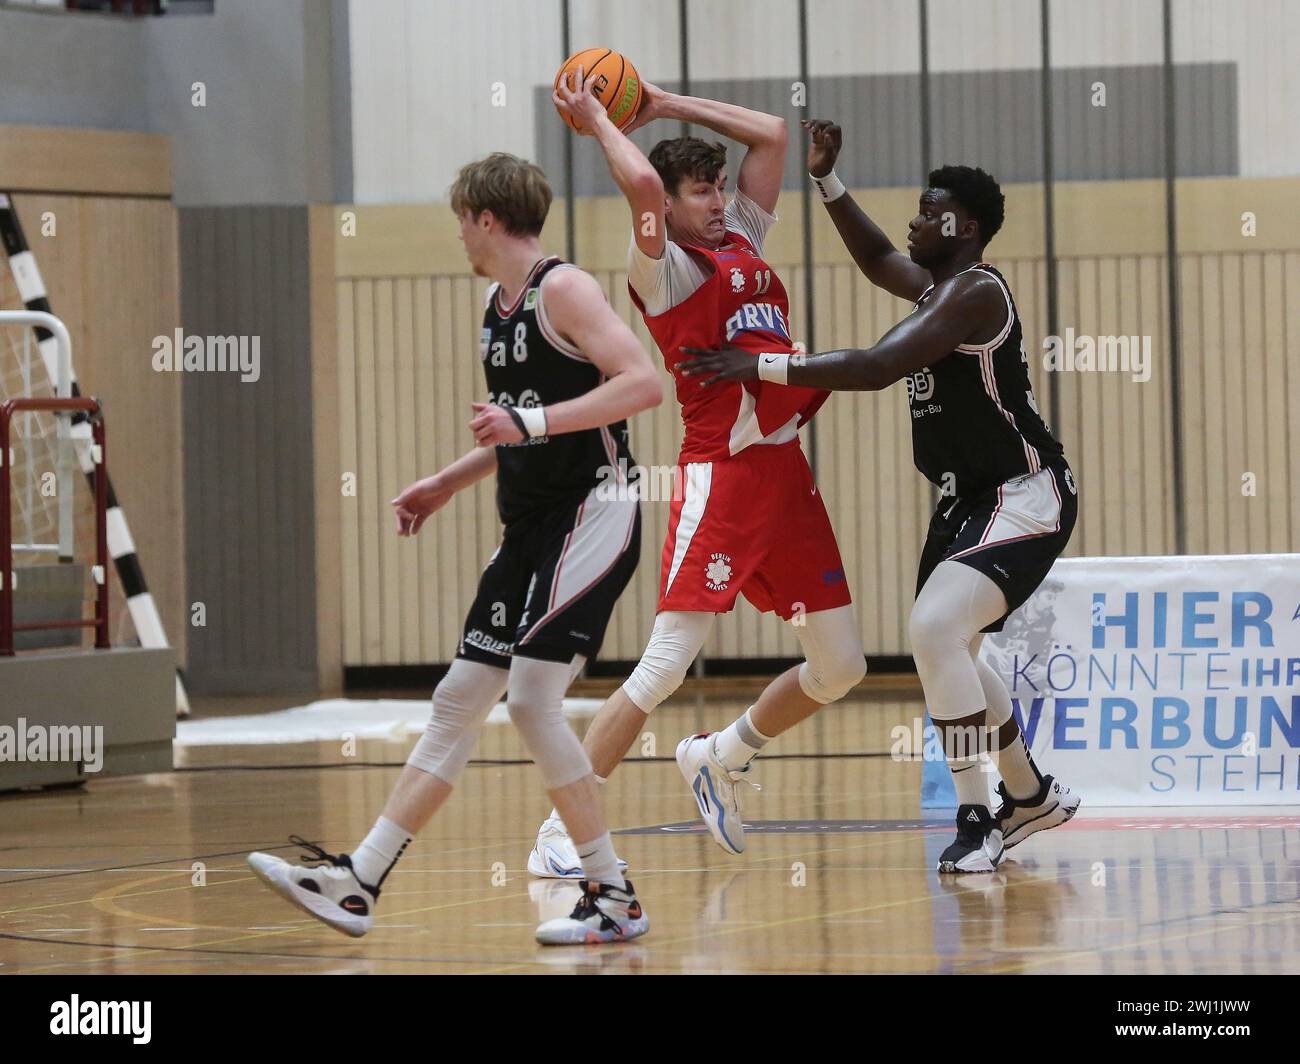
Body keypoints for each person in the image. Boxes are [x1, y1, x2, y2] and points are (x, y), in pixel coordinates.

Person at [248, 152, 663, 942]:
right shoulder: (495, 306)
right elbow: (518, 426)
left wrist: (529, 425)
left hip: (596, 509)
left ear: (484, 216)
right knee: (456, 702)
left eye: (460, 222)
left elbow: (643, 383)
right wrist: (447, 480)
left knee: (533, 700)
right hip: (531, 525)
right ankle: (358, 881)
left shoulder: (563, 289)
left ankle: (614, 898)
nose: (459, 238)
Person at [679, 119, 1081, 874]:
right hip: (968, 500)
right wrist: (827, 181)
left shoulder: (974, 294)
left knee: (932, 632)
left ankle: (974, 812)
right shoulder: (942, 286)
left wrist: (757, 367)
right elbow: (876, 260)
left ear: (960, 225)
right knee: (957, 648)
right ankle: (1028, 797)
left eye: (928, 211)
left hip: (1025, 491)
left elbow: (874, 365)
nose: (915, 221)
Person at [530, 72, 866, 874]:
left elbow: (772, 136)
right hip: (721, 476)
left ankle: (721, 752)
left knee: (842, 665)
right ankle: (560, 836)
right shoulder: (667, 271)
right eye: (699, 192)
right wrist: (602, 121)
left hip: (787, 479)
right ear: (669, 210)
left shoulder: (742, 238)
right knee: (665, 664)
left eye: (718, 187)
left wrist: (663, 104)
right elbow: (640, 181)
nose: (716, 201)